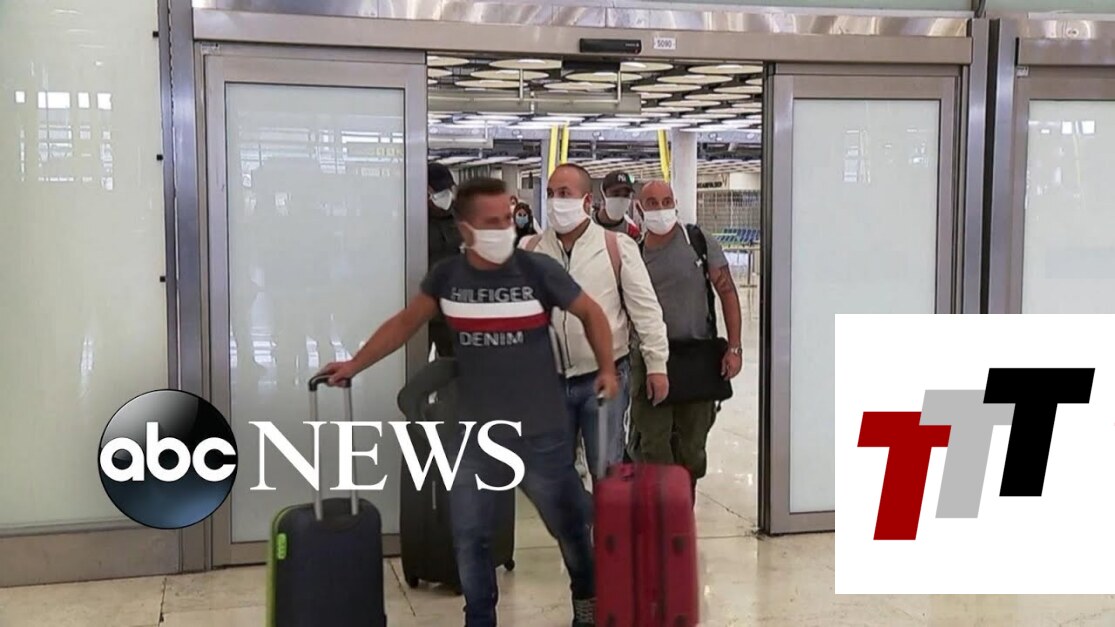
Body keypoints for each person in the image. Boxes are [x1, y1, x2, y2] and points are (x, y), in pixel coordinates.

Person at [318, 177, 616, 627]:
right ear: (465, 228)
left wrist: (607, 368)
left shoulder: (537, 271)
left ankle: (587, 603)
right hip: (475, 435)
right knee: (470, 536)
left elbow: (591, 312)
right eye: (491, 222)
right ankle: (479, 618)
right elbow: (405, 323)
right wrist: (354, 364)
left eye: (507, 218)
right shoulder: (448, 278)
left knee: (570, 527)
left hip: (541, 431)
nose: (504, 229)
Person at [522, 163, 670, 486]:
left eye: (565, 194)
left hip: (604, 377)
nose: (555, 202)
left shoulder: (616, 247)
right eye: (551, 194)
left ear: (587, 201)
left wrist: (657, 365)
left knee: (606, 469)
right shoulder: (529, 250)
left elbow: (646, 311)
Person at [631, 180, 744, 498]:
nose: (661, 209)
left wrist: (734, 347)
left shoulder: (698, 242)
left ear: (676, 204)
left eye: (666, 201)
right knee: (653, 444)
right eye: (652, 203)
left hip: (696, 358)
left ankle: (683, 500)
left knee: (692, 448)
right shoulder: (634, 254)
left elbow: (727, 291)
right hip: (651, 361)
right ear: (639, 209)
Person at [427, 162, 463, 358]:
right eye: (439, 190)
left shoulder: (461, 217)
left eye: (448, 189)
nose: (446, 194)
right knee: (412, 364)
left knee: (452, 363)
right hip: (421, 308)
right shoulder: (411, 220)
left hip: (452, 308)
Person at [593, 170, 643, 241]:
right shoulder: (586, 225)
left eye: (626, 195)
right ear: (603, 194)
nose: (621, 199)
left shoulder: (632, 232)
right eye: (615, 194)